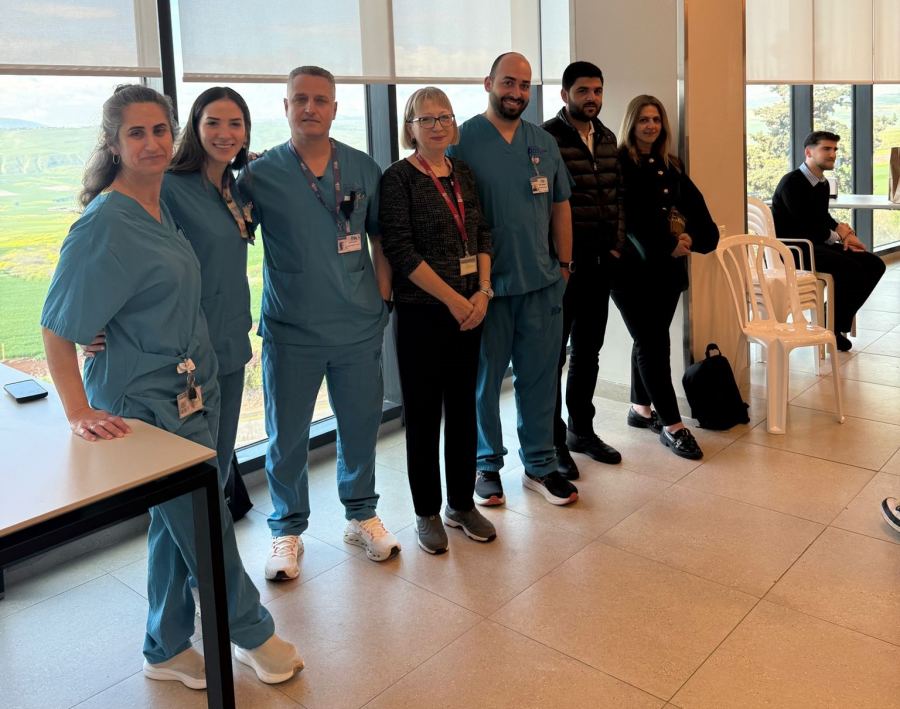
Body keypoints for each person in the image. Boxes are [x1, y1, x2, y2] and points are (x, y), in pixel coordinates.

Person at [40, 85, 302, 690]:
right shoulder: (105, 223)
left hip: (187, 388)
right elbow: (57, 327)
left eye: (160, 130)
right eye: (136, 133)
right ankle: (253, 632)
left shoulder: (157, 207)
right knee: (203, 519)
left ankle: (164, 646)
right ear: (113, 143)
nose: (152, 143)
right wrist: (77, 410)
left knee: (175, 523)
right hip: (141, 402)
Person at [238, 66, 399, 578]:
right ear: (285, 107)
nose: (310, 108)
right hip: (292, 329)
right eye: (300, 99)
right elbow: (223, 235)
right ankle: (287, 529)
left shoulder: (362, 166)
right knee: (286, 435)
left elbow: (380, 238)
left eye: (321, 99)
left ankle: (361, 514)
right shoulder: (259, 175)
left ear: (334, 108)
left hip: (358, 325)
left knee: (360, 425)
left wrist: (381, 298)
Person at [83, 87, 256, 521]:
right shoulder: (170, 187)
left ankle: (197, 565)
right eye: (212, 122)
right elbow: (113, 248)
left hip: (229, 345)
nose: (224, 133)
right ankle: (211, 562)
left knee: (213, 473)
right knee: (188, 493)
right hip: (179, 356)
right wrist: (94, 322)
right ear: (193, 129)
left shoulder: (234, 187)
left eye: (235, 123)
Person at [448, 52, 578, 506]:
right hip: (487, 290)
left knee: (540, 379)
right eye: (508, 82)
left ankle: (540, 465)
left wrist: (565, 265)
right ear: (488, 83)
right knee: (484, 383)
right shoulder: (461, 141)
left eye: (524, 85)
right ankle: (486, 464)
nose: (516, 92)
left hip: (541, 283)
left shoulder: (542, 142)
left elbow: (560, 205)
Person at [379, 87, 496, 554]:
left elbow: (482, 232)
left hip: (471, 310)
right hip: (423, 314)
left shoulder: (462, 171)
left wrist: (482, 291)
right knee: (424, 416)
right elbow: (401, 250)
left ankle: (461, 504)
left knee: (463, 411)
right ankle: (427, 511)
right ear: (409, 127)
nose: (436, 126)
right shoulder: (398, 178)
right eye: (425, 119)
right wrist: (453, 299)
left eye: (444, 116)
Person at [613, 95, 718, 460]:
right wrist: (668, 245)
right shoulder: (618, 164)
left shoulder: (671, 164)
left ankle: (640, 409)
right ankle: (673, 426)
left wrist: (693, 238)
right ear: (632, 123)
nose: (651, 126)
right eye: (643, 119)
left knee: (650, 339)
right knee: (653, 343)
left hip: (667, 274)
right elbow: (628, 218)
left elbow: (694, 208)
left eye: (656, 119)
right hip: (631, 273)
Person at [542, 60, 624, 479]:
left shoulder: (607, 137)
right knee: (553, 356)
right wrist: (556, 260)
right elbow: (541, 204)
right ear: (565, 95)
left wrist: (616, 245)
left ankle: (581, 431)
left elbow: (618, 196)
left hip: (599, 264)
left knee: (588, 352)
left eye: (597, 90)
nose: (591, 98)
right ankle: (553, 442)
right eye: (583, 91)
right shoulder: (545, 138)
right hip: (562, 269)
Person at [771, 131, 886, 351]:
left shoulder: (822, 183)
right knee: (851, 269)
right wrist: (840, 235)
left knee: (874, 264)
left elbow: (822, 218)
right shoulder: (792, 183)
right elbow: (807, 226)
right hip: (795, 250)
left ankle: (829, 320)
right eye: (826, 149)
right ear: (808, 152)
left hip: (815, 244)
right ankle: (831, 327)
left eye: (835, 149)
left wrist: (845, 233)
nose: (832, 154)